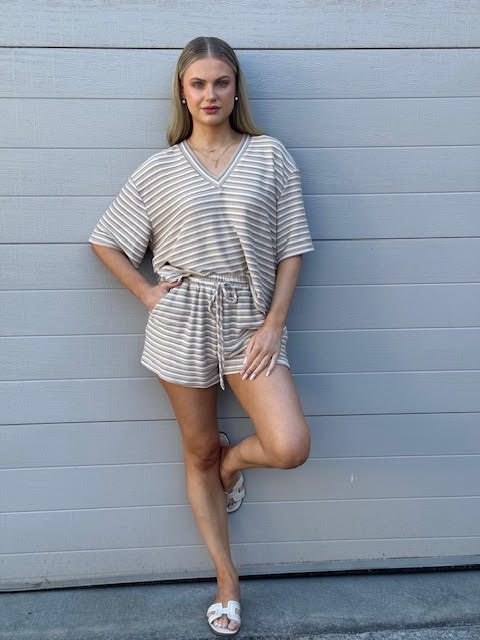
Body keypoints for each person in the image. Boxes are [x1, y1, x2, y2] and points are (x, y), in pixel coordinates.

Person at [88, 35, 315, 637]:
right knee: (196, 453)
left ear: (236, 89)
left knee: (288, 444)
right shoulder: (160, 170)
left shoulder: (269, 155)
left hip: (249, 321)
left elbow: (292, 247)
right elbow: (105, 240)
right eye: (198, 84)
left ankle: (232, 464)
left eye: (220, 82)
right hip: (181, 322)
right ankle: (227, 581)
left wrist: (274, 324)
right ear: (182, 93)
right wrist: (147, 294)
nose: (209, 94)